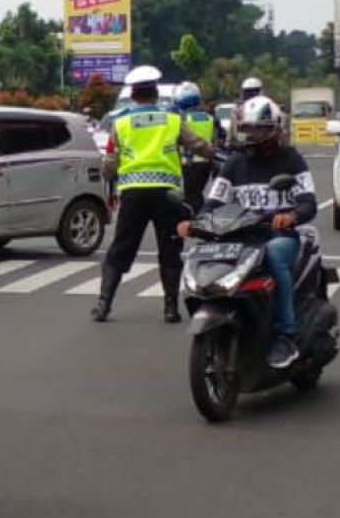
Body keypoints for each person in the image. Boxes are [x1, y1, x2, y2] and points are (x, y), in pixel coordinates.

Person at [177, 96, 318, 369]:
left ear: (275, 128)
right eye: (248, 129)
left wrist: (291, 216)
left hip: (278, 237)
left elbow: (309, 201)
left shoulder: (291, 159)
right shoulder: (235, 163)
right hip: (240, 237)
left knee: (275, 255)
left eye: (260, 129)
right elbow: (214, 202)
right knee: (201, 254)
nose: (252, 135)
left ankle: (285, 335)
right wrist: (196, 223)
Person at [92, 65, 214, 324]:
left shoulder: (121, 121)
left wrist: (110, 185)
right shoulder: (171, 118)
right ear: (156, 93)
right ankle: (171, 308)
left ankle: (103, 305)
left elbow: (110, 162)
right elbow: (197, 145)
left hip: (133, 195)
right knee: (170, 249)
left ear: (134, 95)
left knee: (120, 249)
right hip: (167, 195)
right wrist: (217, 154)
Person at [174, 81, 218, 213]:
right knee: (197, 193)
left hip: (189, 163)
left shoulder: (181, 119)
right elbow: (216, 140)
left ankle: (197, 220)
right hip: (207, 163)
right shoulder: (210, 118)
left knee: (191, 196)